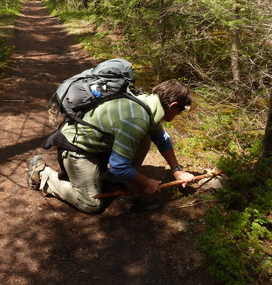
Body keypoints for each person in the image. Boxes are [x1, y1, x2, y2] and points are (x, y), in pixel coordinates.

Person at [27, 79, 195, 213]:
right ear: (173, 106)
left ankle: (117, 182)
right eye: (180, 111)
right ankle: (43, 174)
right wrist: (146, 182)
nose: (179, 115)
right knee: (90, 204)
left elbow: (161, 138)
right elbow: (118, 166)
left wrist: (177, 170)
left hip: (99, 143)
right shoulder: (137, 120)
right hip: (76, 148)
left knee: (145, 137)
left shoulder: (147, 103)